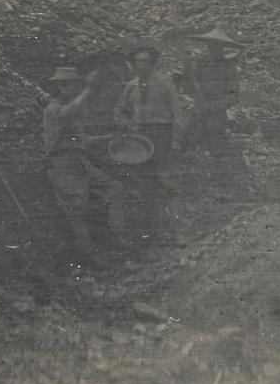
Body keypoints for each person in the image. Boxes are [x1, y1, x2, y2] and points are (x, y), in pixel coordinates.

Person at [41, 66, 124, 262]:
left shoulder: (69, 108)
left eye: (79, 85)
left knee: (116, 189)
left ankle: (116, 236)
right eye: (74, 85)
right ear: (61, 86)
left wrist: (108, 137)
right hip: (62, 166)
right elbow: (67, 113)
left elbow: (82, 140)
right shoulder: (53, 109)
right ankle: (91, 255)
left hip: (79, 162)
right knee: (77, 211)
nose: (77, 89)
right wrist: (89, 88)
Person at [114, 43, 184, 160]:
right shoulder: (131, 85)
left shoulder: (165, 82)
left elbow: (177, 112)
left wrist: (176, 140)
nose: (142, 64)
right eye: (139, 61)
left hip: (162, 132)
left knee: (162, 168)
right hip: (139, 133)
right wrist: (128, 125)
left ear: (152, 62)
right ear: (134, 63)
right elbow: (119, 109)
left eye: (146, 60)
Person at [184, 28, 245, 150]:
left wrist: (214, 106)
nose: (213, 49)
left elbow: (233, 97)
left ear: (222, 48)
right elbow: (189, 87)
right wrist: (187, 67)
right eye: (210, 45)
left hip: (216, 116)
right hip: (198, 112)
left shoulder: (230, 69)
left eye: (217, 46)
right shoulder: (200, 63)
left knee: (215, 146)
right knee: (188, 143)